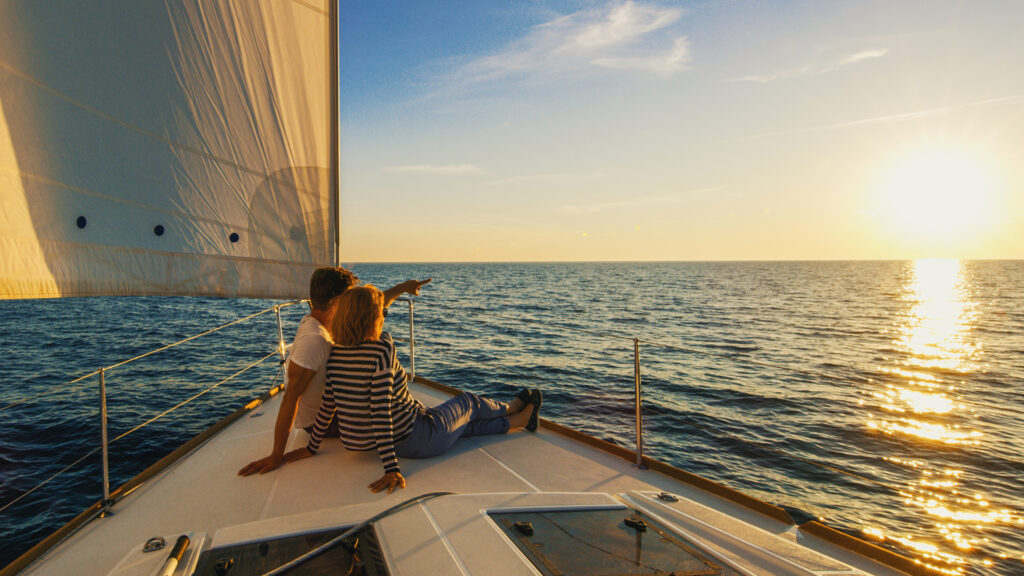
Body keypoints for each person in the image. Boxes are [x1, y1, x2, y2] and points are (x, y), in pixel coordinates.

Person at [274, 285, 542, 494]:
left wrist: (312, 447)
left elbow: (329, 405)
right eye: (382, 313)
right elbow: (380, 410)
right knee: (469, 403)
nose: (383, 317)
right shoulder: (382, 350)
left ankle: (520, 420)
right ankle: (512, 407)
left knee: (461, 428)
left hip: (381, 440)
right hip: (414, 437)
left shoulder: (336, 354)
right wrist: (391, 468)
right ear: (371, 318)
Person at [238, 268, 430, 477]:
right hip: (324, 424)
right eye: (351, 296)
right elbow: (291, 397)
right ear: (339, 300)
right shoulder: (315, 340)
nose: (354, 302)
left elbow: (371, 304)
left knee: (382, 340)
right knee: (384, 345)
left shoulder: (325, 322)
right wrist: (277, 455)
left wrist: (403, 287)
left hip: (334, 409)